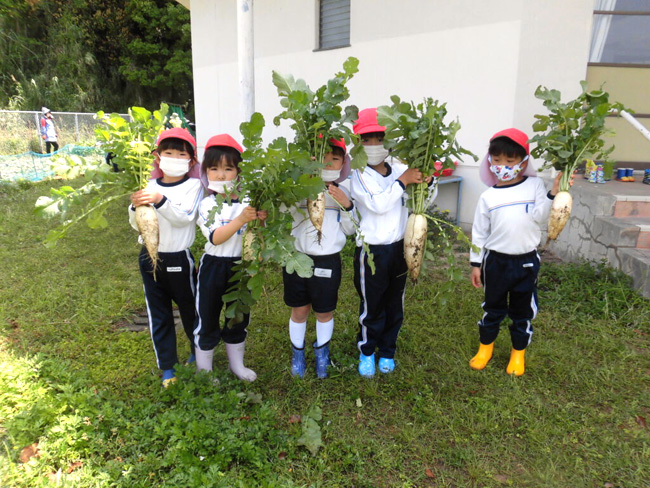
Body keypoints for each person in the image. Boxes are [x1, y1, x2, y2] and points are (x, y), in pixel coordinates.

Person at [469, 128, 566, 376]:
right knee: (493, 306)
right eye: (498, 160)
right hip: (495, 261)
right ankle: (485, 348)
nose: (503, 166)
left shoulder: (534, 186)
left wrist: (554, 192)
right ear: (490, 162)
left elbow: (541, 216)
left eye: (510, 161)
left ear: (522, 163)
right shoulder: (488, 196)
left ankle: (517, 353)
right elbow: (479, 232)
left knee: (522, 310)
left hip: (525, 262)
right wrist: (476, 264)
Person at [350, 108, 437, 377]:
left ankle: (387, 350)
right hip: (371, 252)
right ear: (357, 144)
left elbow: (421, 203)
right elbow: (378, 204)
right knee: (372, 304)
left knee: (394, 303)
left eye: (379, 139)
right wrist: (403, 181)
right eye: (367, 140)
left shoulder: (400, 168)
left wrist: (429, 183)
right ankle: (367, 351)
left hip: (400, 248)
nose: (374, 146)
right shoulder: (359, 174)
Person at [129, 128, 204, 387]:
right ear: (157, 157)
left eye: (180, 154)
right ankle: (168, 367)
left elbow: (185, 218)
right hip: (149, 257)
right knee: (158, 313)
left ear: (191, 161)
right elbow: (136, 224)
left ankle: (197, 354)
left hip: (179, 259)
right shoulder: (148, 185)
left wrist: (160, 200)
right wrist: (135, 206)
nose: (173, 158)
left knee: (190, 310)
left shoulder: (194, 186)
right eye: (168, 153)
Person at [194, 134, 267, 382]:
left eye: (228, 169)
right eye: (214, 169)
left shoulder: (248, 201)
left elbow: (259, 233)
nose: (221, 175)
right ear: (206, 172)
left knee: (238, 317)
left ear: (239, 172)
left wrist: (262, 218)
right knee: (208, 316)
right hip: (214, 266)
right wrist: (242, 219)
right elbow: (216, 238)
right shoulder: (206, 204)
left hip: (242, 266)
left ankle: (238, 366)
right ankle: (205, 371)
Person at [284, 138, 356, 379]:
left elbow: (350, 230)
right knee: (299, 310)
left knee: (325, 311)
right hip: (297, 258)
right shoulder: (298, 189)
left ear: (342, 163)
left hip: (328, 261)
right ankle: (298, 353)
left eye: (334, 158)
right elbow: (282, 213)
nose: (328, 162)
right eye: (321, 158)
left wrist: (347, 206)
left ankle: (322, 354)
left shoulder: (342, 193)